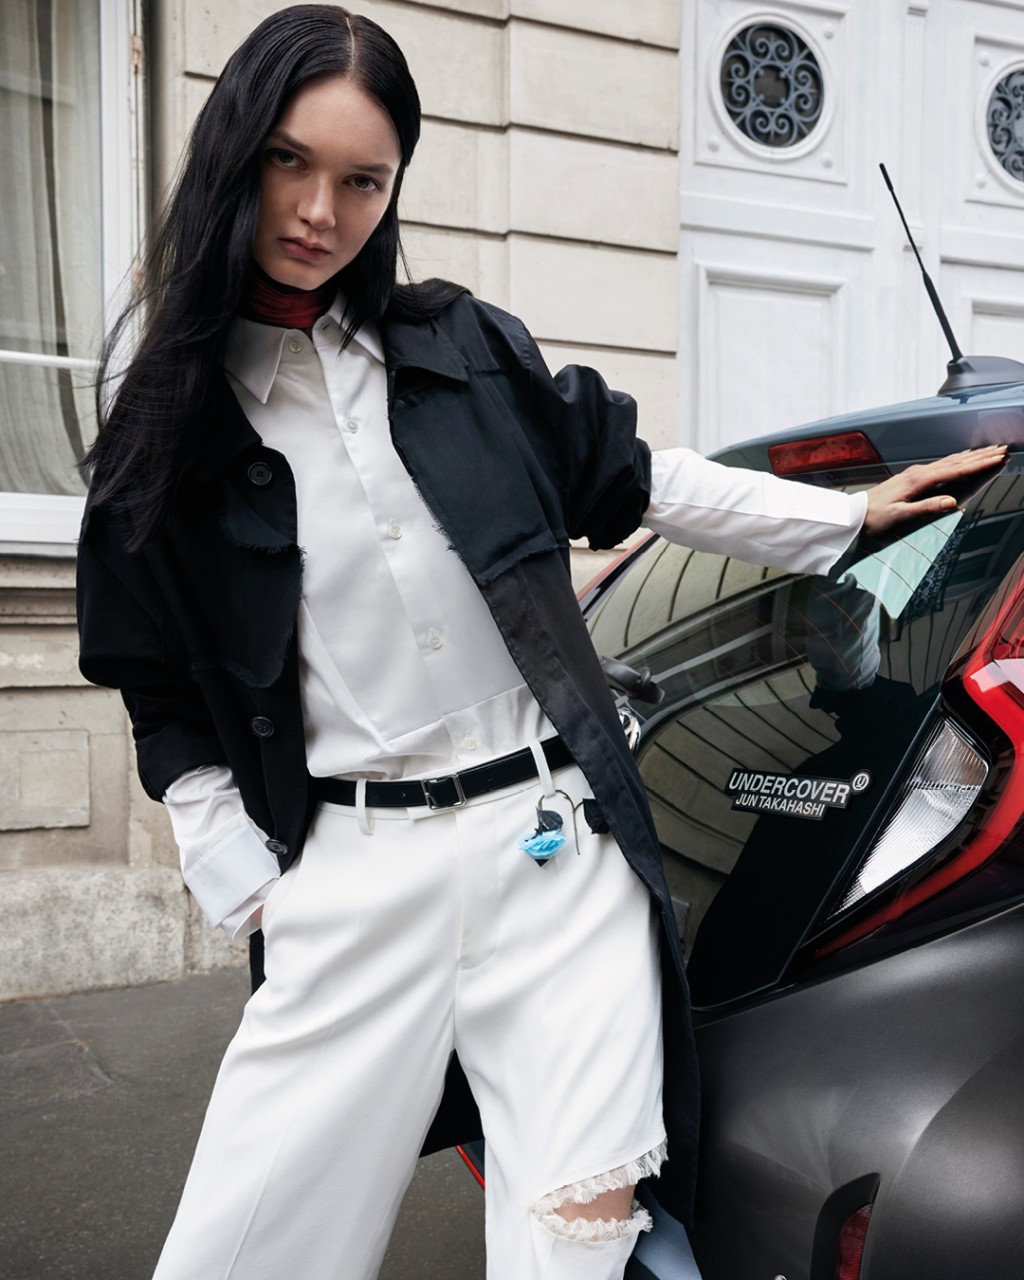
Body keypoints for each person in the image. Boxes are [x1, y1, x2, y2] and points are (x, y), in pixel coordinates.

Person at [74, 7, 1007, 1279]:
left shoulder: (458, 347)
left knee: (573, 1241)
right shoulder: (171, 419)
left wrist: (844, 516)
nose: (319, 211)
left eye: (362, 180)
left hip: (556, 857)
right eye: (290, 162)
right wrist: (249, 881)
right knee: (247, 1247)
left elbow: (634, 472)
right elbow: (152, 679)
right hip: (355, 878)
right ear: (236, 150)